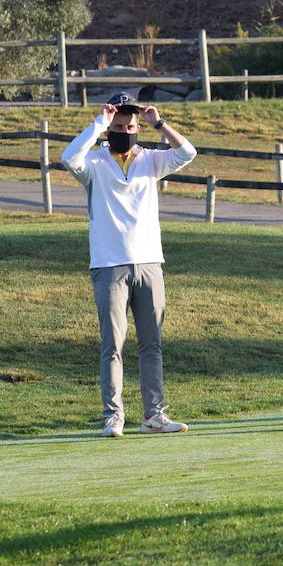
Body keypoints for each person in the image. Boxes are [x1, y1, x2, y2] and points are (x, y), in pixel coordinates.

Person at [62, 92, 197, 437]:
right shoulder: (94, 163)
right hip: (109, 264)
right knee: (113, 345)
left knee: (152, 345)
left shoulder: (151, 160)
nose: (126, 131)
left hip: (149, 262)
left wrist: (160, 123)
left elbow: (187, 153)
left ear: (139, 127)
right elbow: (68, 157)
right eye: (119, 126)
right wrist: (98, 124)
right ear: (110, 129)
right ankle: (113, 416)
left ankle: (154, 415)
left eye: (131, 125)